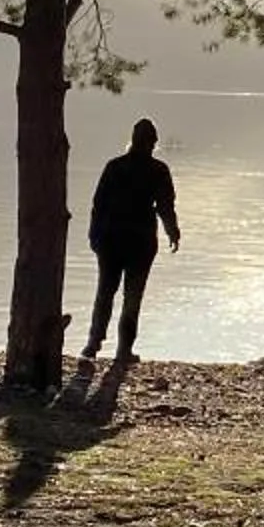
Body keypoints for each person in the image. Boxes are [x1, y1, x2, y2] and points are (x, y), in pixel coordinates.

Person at [80, 117, 180, 363]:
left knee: (105, 291)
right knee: (132, 295)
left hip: (111, 239)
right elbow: (165, 206)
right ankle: (123, 349)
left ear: (132, 140)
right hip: (141, 242)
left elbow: (98, 205)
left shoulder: (115, 167)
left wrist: (94, 235)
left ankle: (93, 343)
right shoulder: (158, 170)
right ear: (153, 143)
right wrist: (173, 231)